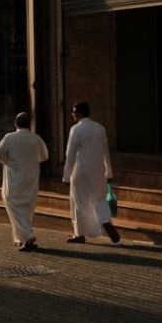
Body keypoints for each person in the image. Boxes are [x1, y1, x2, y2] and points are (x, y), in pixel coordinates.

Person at [63, 101, 120, 244]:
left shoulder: (76, 130)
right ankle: (105, 220)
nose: (73, 114)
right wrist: (109, 172)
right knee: (100, 199)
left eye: (74, 111)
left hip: (81, 170)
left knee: (78, 201)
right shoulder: (100, 128)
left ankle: (79, 233)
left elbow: (70, 155)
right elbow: (106, 151)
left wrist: (66, 176)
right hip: (98, 170)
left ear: (80, 113)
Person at [0, 112, 49, 251]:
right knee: (27, 208)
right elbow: (44, 156)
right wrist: (31, 161)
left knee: (13, 205)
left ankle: (27, 236)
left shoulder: (10, 138)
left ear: (15, 124)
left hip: (14, 178)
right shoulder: (35, 138)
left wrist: (8, 162)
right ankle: (20, 238)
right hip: (31, 177)